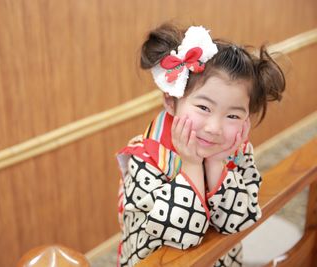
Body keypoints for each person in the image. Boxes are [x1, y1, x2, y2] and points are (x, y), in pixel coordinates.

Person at [116, 23, 285, 267]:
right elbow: (184, 236)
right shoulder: (145, 158)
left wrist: (217, 162)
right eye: (204, 108)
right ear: (171, 101)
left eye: (233, 116)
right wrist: (192, 164)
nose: (214, 128)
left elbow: (237, 222)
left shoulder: (237, 150)